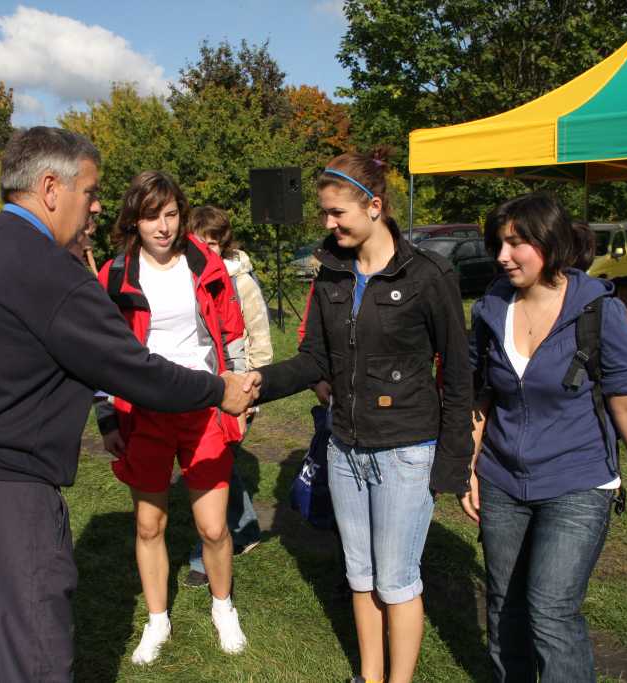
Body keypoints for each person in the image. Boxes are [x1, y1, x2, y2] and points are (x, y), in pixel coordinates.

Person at [0, 128, 257, 683]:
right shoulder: (49, 269)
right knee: (33, 659)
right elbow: (133, 370)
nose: (97, 206)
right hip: (3, 493)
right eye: (90, 191)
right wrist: (219, 391)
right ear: (51, 188)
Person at [251, 149, 474, 683]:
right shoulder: (331, 272)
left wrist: (454, 461)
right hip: (344, 449)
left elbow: (458, 373)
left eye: (337, 212)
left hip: (405, 452)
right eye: (324, 213)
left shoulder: (428, 275)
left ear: (374, 206)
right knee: (360, 575)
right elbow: (314, 359)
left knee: (396, 581)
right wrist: (259, 382)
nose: (328, 224)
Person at [461, 192, 627, 683]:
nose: (503, 256)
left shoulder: (598, 311)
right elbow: (479, 395)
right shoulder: (491, 307)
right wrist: (468, 468)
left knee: (550, 610)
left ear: (548, 243)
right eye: (498, 244)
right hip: (502, 479)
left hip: (578, 480)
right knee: (505, 604)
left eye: (516, 243)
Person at [94, 172, 249, 664]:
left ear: (181, 214)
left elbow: (233, 332)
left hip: (204, 410)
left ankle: (223, 607)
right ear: (133, 221)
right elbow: (98, 354)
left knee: (213, 528)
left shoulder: (205, 263)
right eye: (150, 217)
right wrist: (107, 418)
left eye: (170, 214)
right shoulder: (115, 274)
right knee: (148, 526)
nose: (163, 227)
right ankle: (158, 619)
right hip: (143, 414)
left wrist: (243, 396)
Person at [181, 205, 272, 588]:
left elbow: (259, 335)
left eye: (214, 243)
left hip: (238, 387)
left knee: (213, 464)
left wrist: (254, 389)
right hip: (203, 386)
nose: (208, 249)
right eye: (201, 242)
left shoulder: (240, 280)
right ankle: (245, 526)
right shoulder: (185, 275)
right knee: (217, 461)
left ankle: (205, 553)